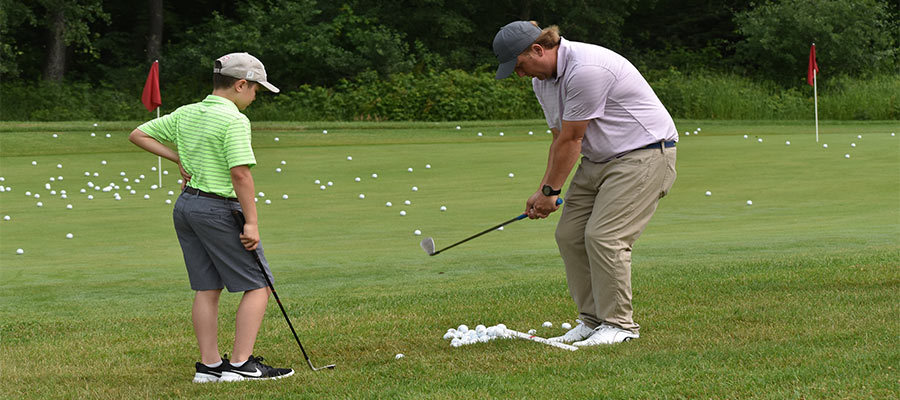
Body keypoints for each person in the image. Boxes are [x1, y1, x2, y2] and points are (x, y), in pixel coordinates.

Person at [493, 21, 678, 346]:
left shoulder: (586, 69)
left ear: (538, 49)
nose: (521, 75)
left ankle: (619, 326)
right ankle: (593, 322)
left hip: (645, 154)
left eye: (520, 66)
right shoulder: (543, 82)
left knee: (605, 237)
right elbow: (559, 139)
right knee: (569, 235)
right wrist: (544, 191)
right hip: (599, 160)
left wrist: (552, 193)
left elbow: (574, 139)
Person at [129, 52, 294, 381]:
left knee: (207, 287)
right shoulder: (234, 120)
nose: (255, 96)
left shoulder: (188, 112)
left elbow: (138, 134)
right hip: (220, 210)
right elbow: (240, 175)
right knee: (259, 285)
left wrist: (177, 158)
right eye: (255, 90)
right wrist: (252, 222)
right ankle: (242, 365)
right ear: (240, 85)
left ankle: (210, 367)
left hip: (187, 207)